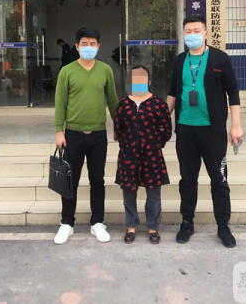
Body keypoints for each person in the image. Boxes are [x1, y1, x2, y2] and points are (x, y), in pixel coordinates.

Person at [166, 14, 243, 249]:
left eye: (197, 31)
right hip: (186, 131)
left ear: (206, 33)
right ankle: (187, 223)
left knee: (219, 179)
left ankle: (223, 226)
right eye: (188, 31)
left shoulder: (220, 58)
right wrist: (161, 119)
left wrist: (236, 125)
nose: (192, 35)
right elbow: (173, 92)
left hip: (213, 131)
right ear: (183, 34)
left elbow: (233, 92)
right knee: (187, 180)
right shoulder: (179, 61)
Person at [53, 27, 119, 245]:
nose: (88, 47)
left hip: (98, 135)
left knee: (97, 180)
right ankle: (67, 223)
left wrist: (118, 126)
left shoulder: (105, 70)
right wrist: (59, 131)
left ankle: (97, 222)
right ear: (77, 46)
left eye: (92, 44)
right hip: (73, 135)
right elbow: (60, 103)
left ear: (98, 46)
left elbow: (112, 100)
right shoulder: (67, 71)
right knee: (70, 180)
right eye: (84, 44)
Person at [114, 66, 172, 245]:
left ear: (149, 81)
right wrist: (127, 145)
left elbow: (167, 129)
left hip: (152, 156)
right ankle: (131, 226)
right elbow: (118, 129)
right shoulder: (123, 104)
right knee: (129, 192)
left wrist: (155, 144)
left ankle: (153, 227)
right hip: (128, 155)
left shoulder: (159, 104)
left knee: (153, 193)